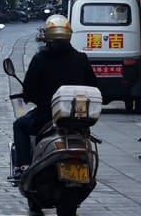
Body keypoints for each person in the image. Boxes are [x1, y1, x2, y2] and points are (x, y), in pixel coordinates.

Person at [10, 14, 98, 181]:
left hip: (45, 117)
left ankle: (23, 167)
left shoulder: (40, 59)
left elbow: (29, 89)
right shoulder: (81, 59)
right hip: (78, 120)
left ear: (48, 36)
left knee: (20, 126)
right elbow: (93, 87)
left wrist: (28, 96)